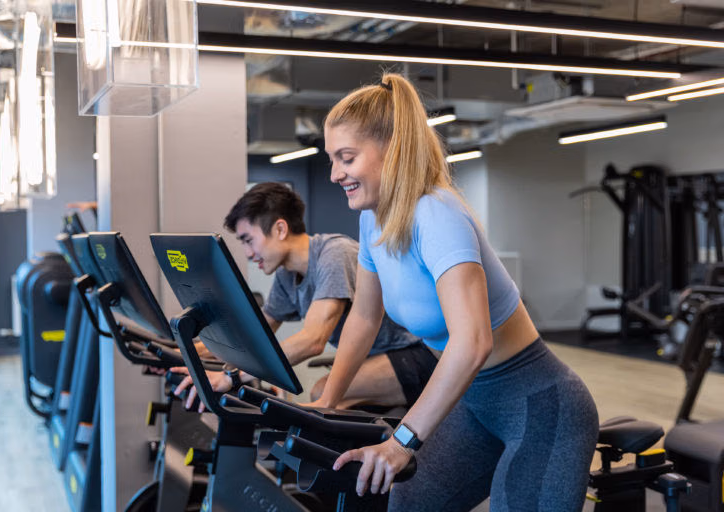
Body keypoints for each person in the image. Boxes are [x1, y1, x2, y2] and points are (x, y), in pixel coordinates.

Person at [310, 73, 599, 511]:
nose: (335, 174)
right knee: (408, 504)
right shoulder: (373, 220)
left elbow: (473, 341)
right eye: (332, 159)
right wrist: (328, 403)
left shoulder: (436, 215)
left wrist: (402, 441)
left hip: (540, 406)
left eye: (346, 158)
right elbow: (364, 319)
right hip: (475, 405)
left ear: (393, 148)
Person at [175, 182, 438, 411]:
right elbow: (255, 337)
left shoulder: (334, 254)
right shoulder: (287, 275)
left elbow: (312, 341)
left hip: (417, 354)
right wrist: (187, 352)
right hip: (375, 358)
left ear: (280, 229)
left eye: (248, 240)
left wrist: (232, 377)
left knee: (322, 394)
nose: (248, 253)